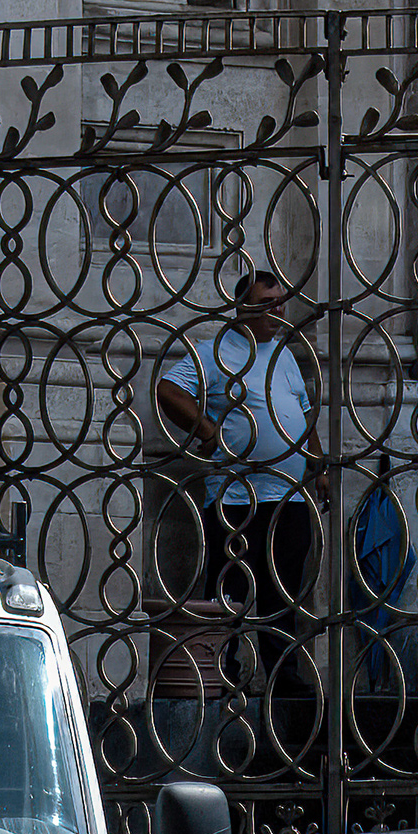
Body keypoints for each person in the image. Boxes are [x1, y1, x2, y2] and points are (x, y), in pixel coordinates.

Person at [153, 259, 321, 761]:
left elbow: (304, 415)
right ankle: (220, 696)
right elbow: (167, 390)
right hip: (236, 501)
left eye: (281, 302)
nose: (278, 311)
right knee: (229, 599)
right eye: (267, 303)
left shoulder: (287, 356)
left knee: (284, 599)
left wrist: (320, 469)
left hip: (287, 497)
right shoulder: (214, 353)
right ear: (241, 306)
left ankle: (290, 711)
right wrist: (207, 430)